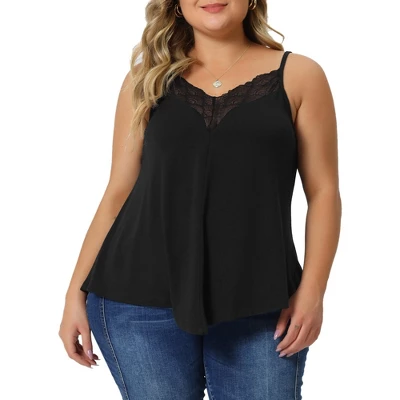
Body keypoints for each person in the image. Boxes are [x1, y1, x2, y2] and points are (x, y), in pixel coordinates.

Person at [59, 0, 341, 398]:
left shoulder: (300, 75)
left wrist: (313, 292)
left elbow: (324, 192)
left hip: (263, 303)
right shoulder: (146, 79)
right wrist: (75, 293)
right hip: (138, 300)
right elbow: (118, 192)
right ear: (175, 5)